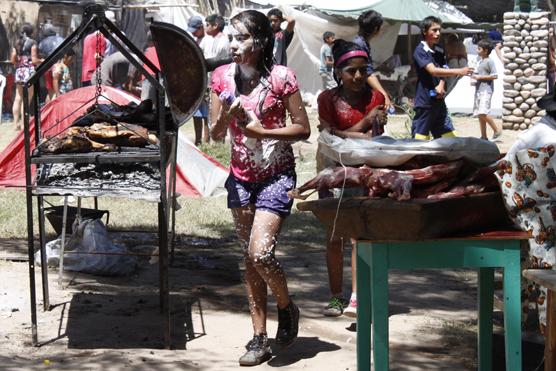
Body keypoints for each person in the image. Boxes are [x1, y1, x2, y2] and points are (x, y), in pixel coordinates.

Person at [209, 9, 310, 366]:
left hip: (277, 175)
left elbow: (303, 129)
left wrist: (262, 132)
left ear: (261, 41)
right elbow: (214, 133)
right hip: (240, 180)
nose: (233, 44)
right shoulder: (222, 77)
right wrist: (228, 113)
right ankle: (258, 338)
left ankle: (287, 307)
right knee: (250, 261)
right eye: (231, 38)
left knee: (261, 254)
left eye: (241, 38)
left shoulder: (282, 77)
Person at [316, 39, 386, 317]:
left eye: (362, 70)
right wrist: (362, 125)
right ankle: (336, 297)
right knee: (334, 236)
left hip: (365, 171)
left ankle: (357, 297)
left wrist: (349, 132)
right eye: (350, 71)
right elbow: (329, 137)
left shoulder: (375, 98)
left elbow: (374, 140)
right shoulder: (327, 100)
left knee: (359, 235)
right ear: (338, 72)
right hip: (333, 170)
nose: (358, 76)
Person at [412, 16, 473, 140]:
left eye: (439, 30)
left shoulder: (439, 51)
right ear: (424, 31)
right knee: (420, 139)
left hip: (439, 101)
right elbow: (433, 71)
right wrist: (460, 70)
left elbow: (443, 71)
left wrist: (441, 85)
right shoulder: (420, 51)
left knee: (449, 138)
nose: (438, 33)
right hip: (425, 102)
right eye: (434, 30)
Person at [353, 10, 392, 109]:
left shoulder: (362, 43)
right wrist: (383, 94)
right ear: (376, 29)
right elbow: (367, 73)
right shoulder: (360, 45)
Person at [471, 39, 501, 141]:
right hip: (479, 89)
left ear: (485, 51)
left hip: (486, 90)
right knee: (480, 114)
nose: (477, 50)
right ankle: (484, 136)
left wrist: (480, 78)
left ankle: (496, 130)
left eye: (479, 48)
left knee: (483, 112)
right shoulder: (480, 61)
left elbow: (495, 76)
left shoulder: (489, 61)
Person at [10, 23, 38, 131]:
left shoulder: (16, 43)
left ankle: (15, 124)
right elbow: (34, 60)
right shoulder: (32, 43)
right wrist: (42, 61)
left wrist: (18, 63)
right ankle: (23, 125)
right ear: (31, 31)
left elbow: (13, 59)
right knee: (27, 98)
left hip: (19, 71)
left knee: (18, 97)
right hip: (29, 72)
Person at [188, 15, 210, 145]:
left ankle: (206, 140)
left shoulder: (207, 41)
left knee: (206, 113)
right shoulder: (197, 41)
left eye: (195, 30)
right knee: (196, 112)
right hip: (197, 81)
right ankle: (198, 140)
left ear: (201, 27)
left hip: (205, 81)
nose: (194, 33)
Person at [38, 22, 64, 103]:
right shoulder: (61, 39)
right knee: (59, 91)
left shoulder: (42, 43)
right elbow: (69, 53)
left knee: (50, 92)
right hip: (60, 66)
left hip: (48, 67)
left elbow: (40, 56)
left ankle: (47, 113)